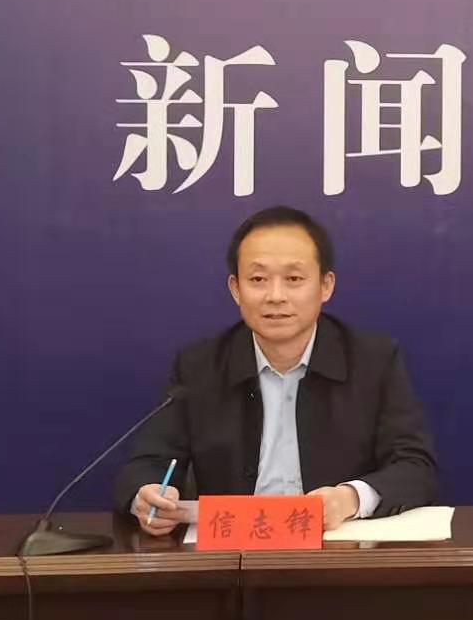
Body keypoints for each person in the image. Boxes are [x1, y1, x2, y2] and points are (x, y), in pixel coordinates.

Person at [114, 206, 439, 535]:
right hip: (235, 553)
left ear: (326, 286)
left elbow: (415, 467)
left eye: (294, 279)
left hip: (336, 549)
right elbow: (147, 464)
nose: (275, 296)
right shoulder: (199, 367)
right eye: (258, 280)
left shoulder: (373, 361)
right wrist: (148, 494)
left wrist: (350, 499)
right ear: (236, 289)